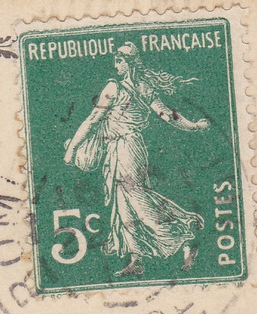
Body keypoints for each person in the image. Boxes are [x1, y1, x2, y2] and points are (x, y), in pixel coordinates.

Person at [63, 42, 211, 277]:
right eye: (115, 60)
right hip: (125, 148)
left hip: (125, 148)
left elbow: (93, 119)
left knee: (138, 200)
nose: (115, 65)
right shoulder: (144, 87)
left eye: (119, 60)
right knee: (124, 205)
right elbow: (167, 115)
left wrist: (72, 149)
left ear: (129, 62)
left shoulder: (114, 87)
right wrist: (192, 126)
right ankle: (137, 258)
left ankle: (183, 237)